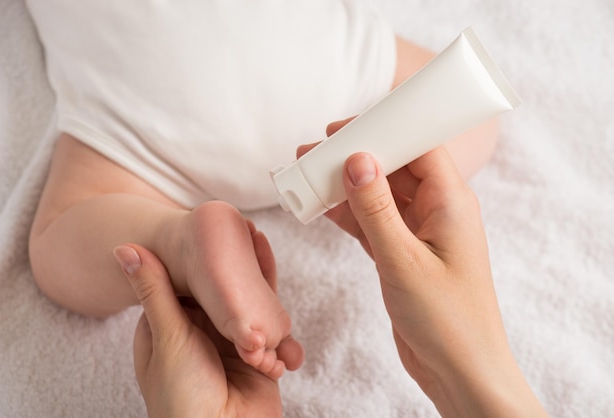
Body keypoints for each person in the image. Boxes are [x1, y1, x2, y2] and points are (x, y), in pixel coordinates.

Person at [27, 0, 497, 376]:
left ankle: (176, 242)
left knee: (61, 241)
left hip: (140, 100)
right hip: (321, 71)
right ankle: (352, 174)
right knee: (473, 118)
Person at [114, 125, 549, 417]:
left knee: (64, 230)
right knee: (475, 130)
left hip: (155, 101)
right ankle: (180, 240)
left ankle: (174, 237)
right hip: (317, 74)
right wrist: (475, 370)